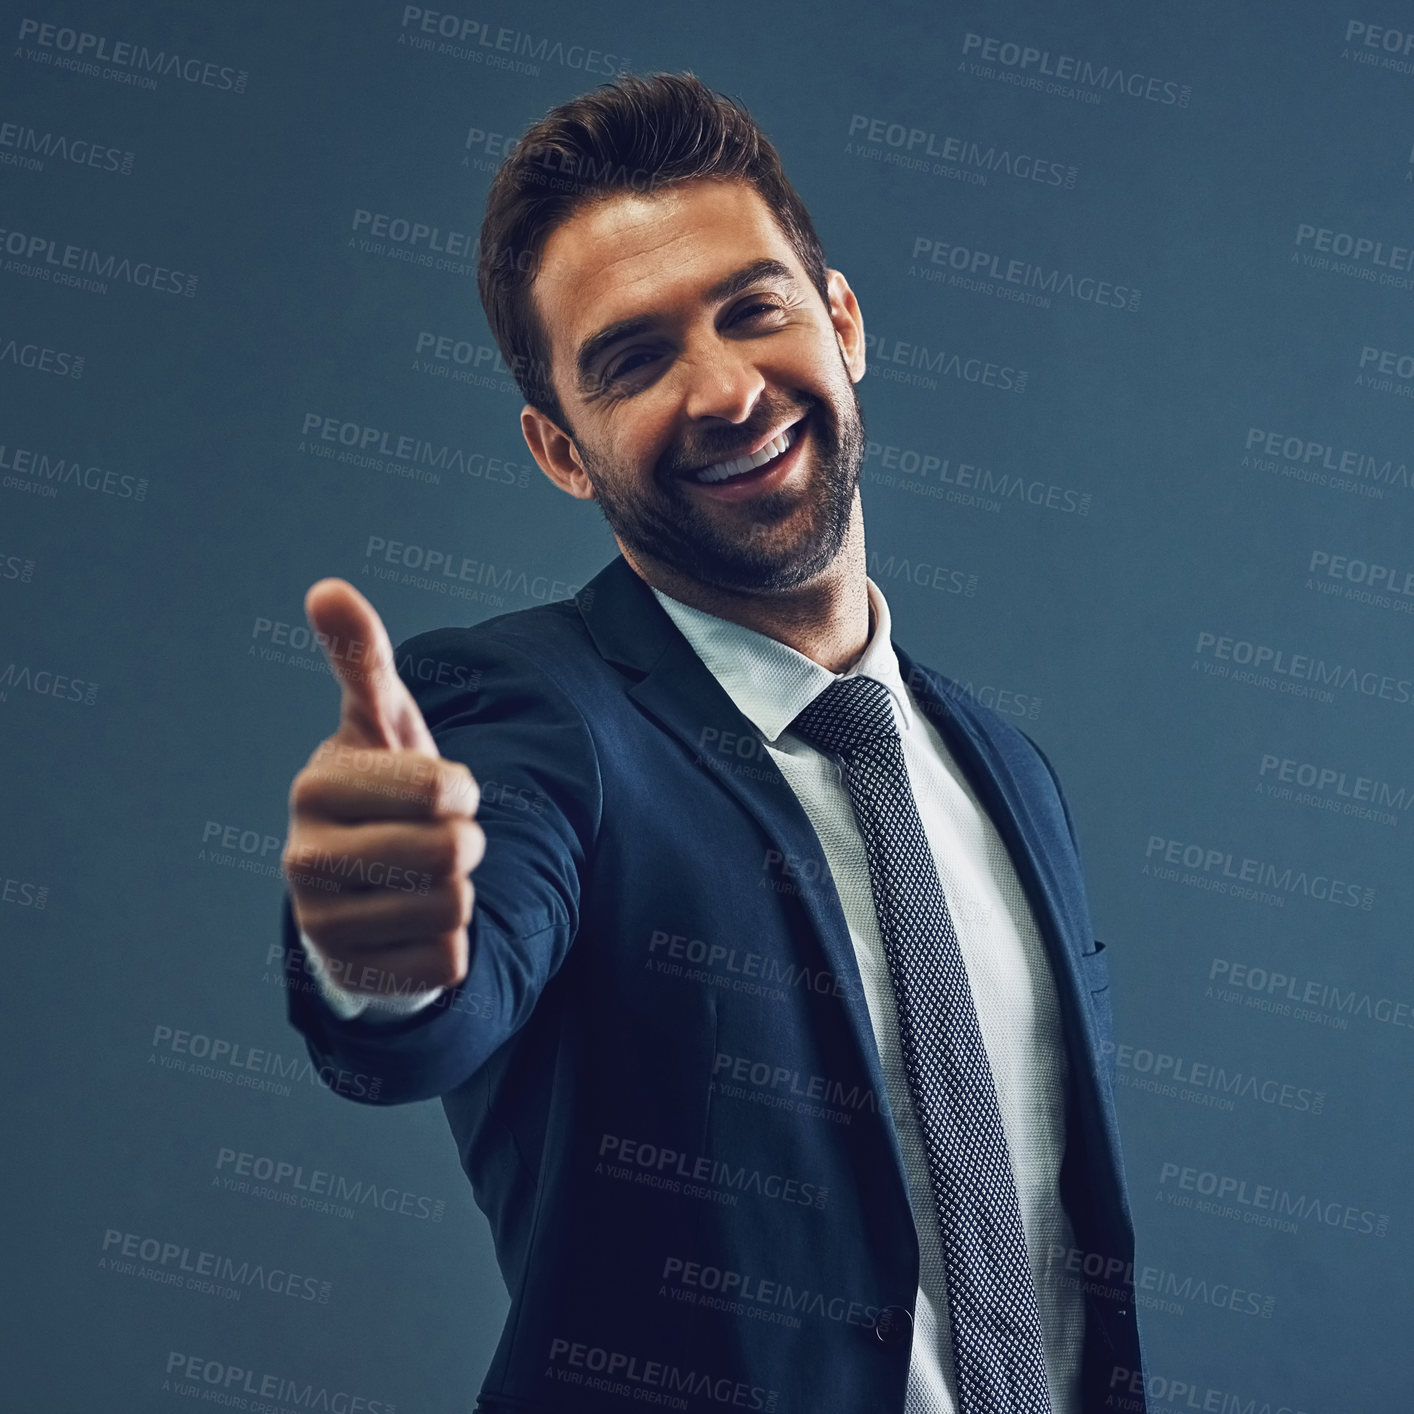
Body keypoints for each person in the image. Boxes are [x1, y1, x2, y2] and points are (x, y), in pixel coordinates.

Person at [280, 71, 1147, 1414]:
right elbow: (420, 1013)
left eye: (755, 310)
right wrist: (383, 945)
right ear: (560, 451)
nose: (728, 389)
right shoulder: (532, 717)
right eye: (632, 360)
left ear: (841, 320)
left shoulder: (1001, 770)